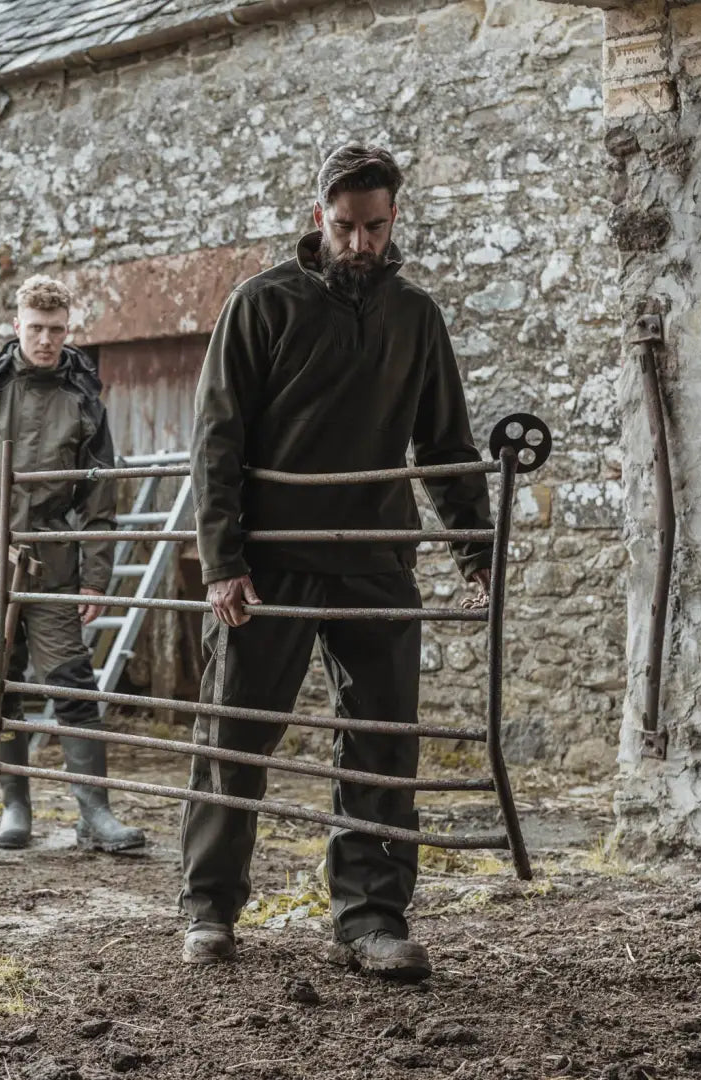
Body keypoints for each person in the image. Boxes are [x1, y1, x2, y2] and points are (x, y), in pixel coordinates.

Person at [180, 144, 493, 978]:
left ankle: (372, 916)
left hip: (375, 558)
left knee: (384, 737)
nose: (362, 243)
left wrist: (475, 548)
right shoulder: (261, 305)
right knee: (237, 733)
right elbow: (217, 440)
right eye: (347, 226)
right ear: (318, 216)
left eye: (377, 227)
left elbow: (446, 440)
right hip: (271, 560)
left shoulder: (415, 316)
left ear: (395, 221)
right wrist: (222, 559)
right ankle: (210, 906)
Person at [0, 275, 145, 853]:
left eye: (56, 329)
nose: (45, 340)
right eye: (35, 328)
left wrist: (97, 575)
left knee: (71, 678)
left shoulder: (84, 400)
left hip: (49, 562)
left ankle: (94, 813)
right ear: (16, 326)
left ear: (67, 330)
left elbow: (101, 500)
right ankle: (13, 808)